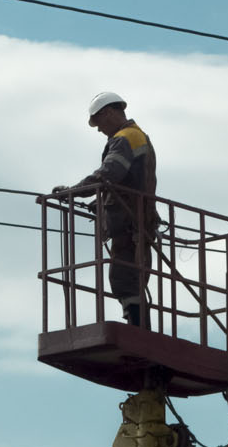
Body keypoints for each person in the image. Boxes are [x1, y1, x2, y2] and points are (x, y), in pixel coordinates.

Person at [52, 90, 156, 330]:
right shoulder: (140, 136)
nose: (99, 130)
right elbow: (128, 181)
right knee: (134, 276)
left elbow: (108, 174)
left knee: (123, 278)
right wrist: (100, 202)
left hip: (128, 221)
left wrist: (74, 191)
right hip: (140, 218)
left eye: (98, 123)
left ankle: (138, 332)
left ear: (108, 112)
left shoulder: (124, 138)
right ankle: (140, 330)